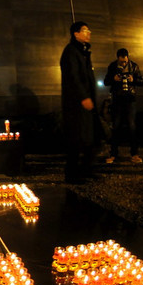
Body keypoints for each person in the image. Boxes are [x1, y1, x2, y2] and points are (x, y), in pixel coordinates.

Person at [60, 21, 101, 183]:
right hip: (76, 103)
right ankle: (72, 174)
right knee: (76, 138)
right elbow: (73, 77)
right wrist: (83, 97)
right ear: (76, 34)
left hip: (87, 101)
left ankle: (87, 169)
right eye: (85, 30)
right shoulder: (71, 52)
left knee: (90, 137)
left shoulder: (83, 51)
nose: (89, 32)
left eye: (89, 29)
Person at [103, 48, 143, 164]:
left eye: (125, 61)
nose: (124, 63)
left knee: (132, 126)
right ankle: (113, 154)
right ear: (118, 59)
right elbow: (106, 81)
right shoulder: (112, 66)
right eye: (121, 62)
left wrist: (133, 79)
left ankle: (134, 154)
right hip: (117, 99)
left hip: (130, 99)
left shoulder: (134, 66)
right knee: (115, 126)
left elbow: (142, 81)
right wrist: (113, 79)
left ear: (127, 58)